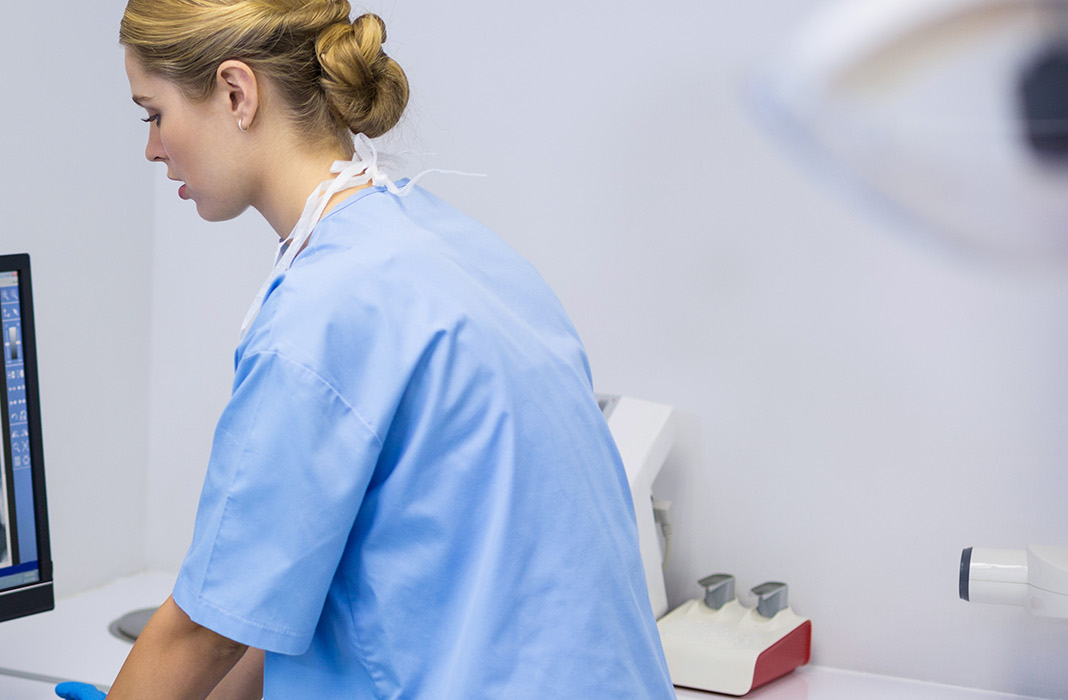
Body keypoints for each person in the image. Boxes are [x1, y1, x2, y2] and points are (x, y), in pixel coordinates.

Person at [57, 1, 678, 698]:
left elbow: (208, 631)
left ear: (237, 92)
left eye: (154, 114)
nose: (152, 147)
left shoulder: (322, 314)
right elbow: (281, 602)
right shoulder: (456, 249)